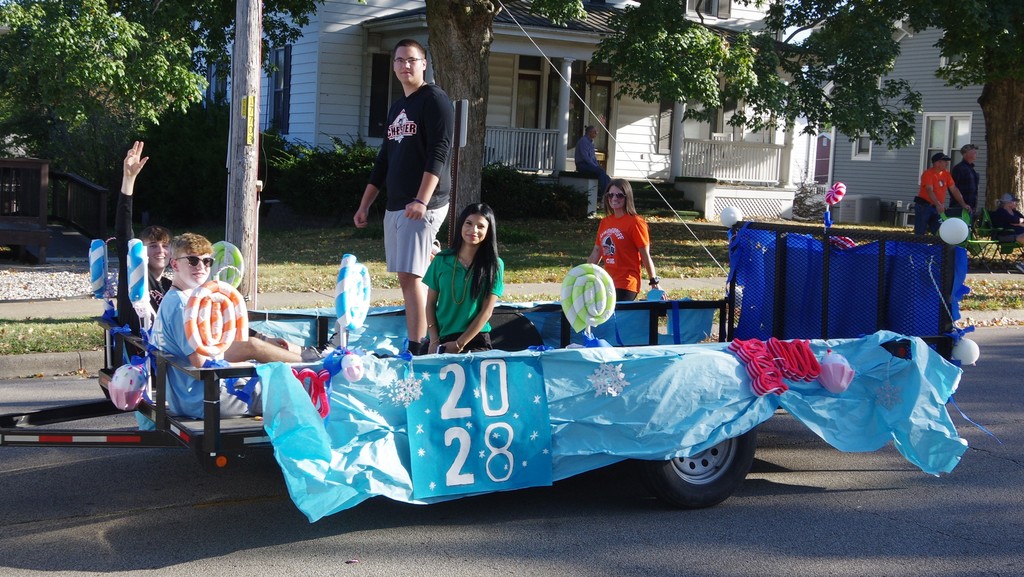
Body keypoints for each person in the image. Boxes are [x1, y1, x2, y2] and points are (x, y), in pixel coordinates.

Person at [353, 38, 454, 356]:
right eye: (399, 60)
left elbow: (440, 150)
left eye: (411, 60)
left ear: (424, 64)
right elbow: (384, 159)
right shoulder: (398, 108)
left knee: (411, 277)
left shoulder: (435, 99)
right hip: (398, 204)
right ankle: (422, 336)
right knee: (407, 276)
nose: (405, 65)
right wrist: (365, 204)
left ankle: (419, 346)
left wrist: (422, 200)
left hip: (425, 203)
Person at [151, 233, 303, 418]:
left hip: (188, 395)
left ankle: (307, 364)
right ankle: (314, 369)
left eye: (207, 261)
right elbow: (202, 363)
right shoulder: (182, 305)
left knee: (255, 347)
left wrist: (256, 347)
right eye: (192, 260)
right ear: (175, 265)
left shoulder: (177, 298)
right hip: (206, 397)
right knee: (302, 388)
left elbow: (210, 350)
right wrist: (251, 355)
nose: (201, 266)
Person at [423, 203, 504, 354]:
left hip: (475, 338)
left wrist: (459, 344)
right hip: (440, 338)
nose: (473, 230)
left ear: (488, 231)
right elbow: (430, 304)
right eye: (469, 223)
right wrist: (434, 340)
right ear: (461, 225)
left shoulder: (495, 265)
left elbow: (487, 311)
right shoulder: (442, 260)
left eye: (481, 226)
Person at [586, 179, 661, 302]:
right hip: (607, 282)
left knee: (618, 319)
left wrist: (654, 282)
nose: (614, 198)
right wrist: (583, 275)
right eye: (610, 195)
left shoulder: (636, 222)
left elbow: (645, 255)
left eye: (619, 195)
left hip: (626, 283)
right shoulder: (605, 222)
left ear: (627, 197)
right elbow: (596, 251)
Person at [913, 152, 972, 235]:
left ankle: (939, 247)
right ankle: (917, 247)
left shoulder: (946, 174)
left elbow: (954, 189)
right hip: (924, 206)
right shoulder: (928, 174)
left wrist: (963, 204)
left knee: (940, 232)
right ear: (937, 163)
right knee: (920, 232)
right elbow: (929, 190)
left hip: (937, 208)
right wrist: (938, 204)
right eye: (944, 161)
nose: (947, 163)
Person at [574, 125, 611, 196]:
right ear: (589, 132)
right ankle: (603, 193)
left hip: (589, 164)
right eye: (595, 132)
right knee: (600, 171)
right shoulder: (583, 141)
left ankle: (608, 192)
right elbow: (585, 157)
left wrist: (597, 165)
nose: (596, 133)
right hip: (582, 165)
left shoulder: (591, 142)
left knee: (606, 177)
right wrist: (595, 166)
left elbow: (593, 157)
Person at [951, 143, 980, 212]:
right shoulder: (959, 168)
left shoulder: (971, 169)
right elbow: (953, 188)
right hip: (959, 207)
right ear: (965, 154)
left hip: (971, 207)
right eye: (972, 150)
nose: (975, 152)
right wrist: (962, 204)